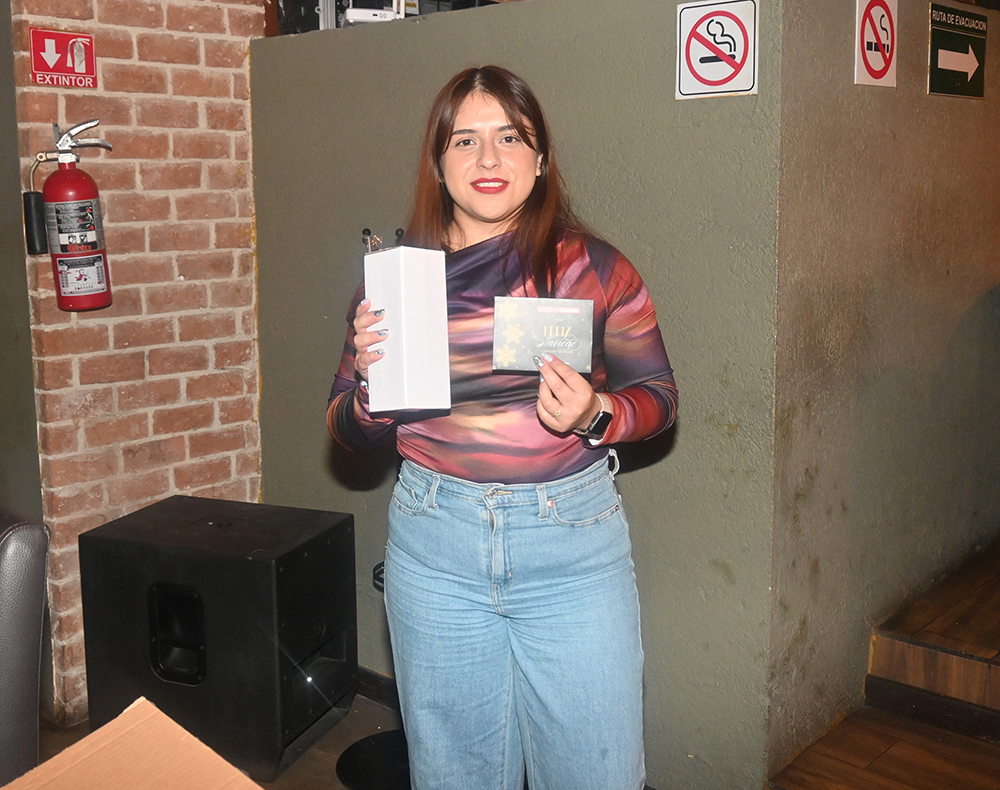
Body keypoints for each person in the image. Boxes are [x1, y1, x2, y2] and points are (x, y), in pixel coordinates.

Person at [327, 65, 677, 790]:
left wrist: (597, 413)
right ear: (439, 163)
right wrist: (369, 391)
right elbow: (347, 431)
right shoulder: (397, 282)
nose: (488, 158)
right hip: (435, 547)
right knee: (454, 775)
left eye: (510, 137)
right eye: (465, 140)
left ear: (540, 158)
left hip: (571, 548)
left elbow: (660, 398)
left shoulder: (594, 269)